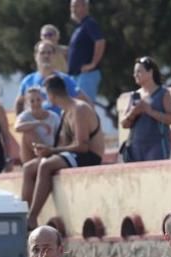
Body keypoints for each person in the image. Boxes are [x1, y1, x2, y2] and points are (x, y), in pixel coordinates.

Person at [21, 75, 105, 229]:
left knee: (46, 165)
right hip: (74, 155)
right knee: (29, 168)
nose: (46, 100)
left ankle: (32, 217)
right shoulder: (64, 113)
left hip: (89, 156)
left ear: (52, 95)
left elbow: (82, 146)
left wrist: (52, 151)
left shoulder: (79, 109)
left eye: (46, 96)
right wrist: (47, 151)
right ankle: (22, 216)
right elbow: (64, 146)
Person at [120, 56, 171, 161]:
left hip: (157, 147)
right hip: (135, 148)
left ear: (150, 72)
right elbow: (124, 124)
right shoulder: (134, 95)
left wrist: (150, 111)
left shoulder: (163, 94)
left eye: (139, 72)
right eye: (134, 72)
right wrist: (133, 113)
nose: (135, 75)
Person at [15, 41, 84, 115]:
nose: (46, 56)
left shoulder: (64, 80)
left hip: (59, 124)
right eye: (42, 53)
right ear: (35, 56)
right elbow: (19, 103)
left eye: (49, 53)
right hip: (35, 124)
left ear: (54, 56)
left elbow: (83, 100)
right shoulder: (28, 81)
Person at [67, 0, 106, 101]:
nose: (73, 10)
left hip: (86, 75)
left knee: (85, 107)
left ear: (85, 7)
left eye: (76, 6)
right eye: (72, 7)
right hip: (75, 76)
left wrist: (93, 63)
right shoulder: (80, 27)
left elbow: (100, 41)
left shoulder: (89, 23)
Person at [15, 87, 61, 164]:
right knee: (28, 133)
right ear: (27, 103)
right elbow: (17, 128)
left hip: (50, 150)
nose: (36, 103)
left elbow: (59, 135)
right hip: (31, 154)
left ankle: (46, 157)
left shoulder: (53, 117)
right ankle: (41, 157)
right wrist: (38, 123)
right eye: (32, 101)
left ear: (43, 99)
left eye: (38, 100)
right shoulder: (25, 116)